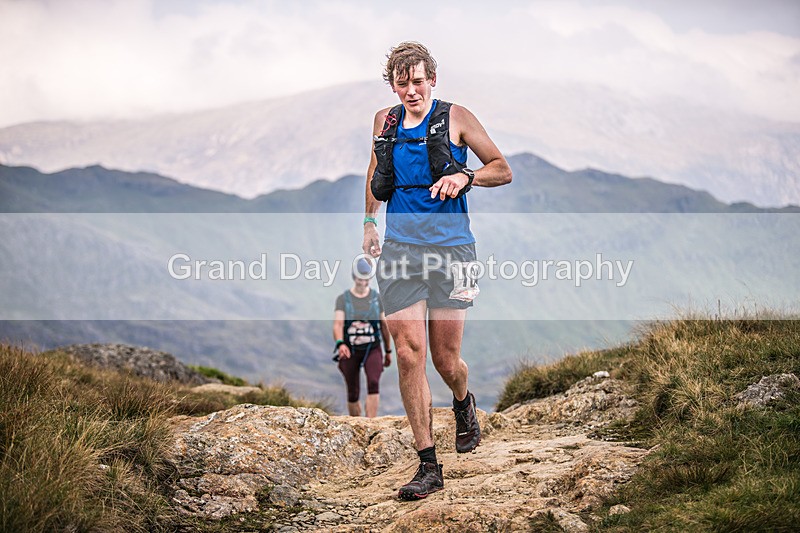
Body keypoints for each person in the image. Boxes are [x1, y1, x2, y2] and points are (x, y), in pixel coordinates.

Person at [362, 42, 512, 500]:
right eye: (402, 82)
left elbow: (502, 169)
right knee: (409, 353)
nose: (411, 90)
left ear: (433, 79)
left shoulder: (457, 118)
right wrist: (369, 221)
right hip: (400, 252)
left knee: (446, 361)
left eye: (419, 80)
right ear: (393, 83)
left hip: (452, 251)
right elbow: (374, 175)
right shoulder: (383, 122)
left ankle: (463, 403)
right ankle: (428, 464)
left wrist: (466, 176)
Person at [333, 258, 393, 417]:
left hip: (372, 347)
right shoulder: (343, 299)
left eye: (365, 276)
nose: (362, 280)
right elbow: (338, 324)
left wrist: (388, 351)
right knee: (352, 391)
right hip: (349, 349)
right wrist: (340, 344)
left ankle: (371, 423)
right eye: (360, 276)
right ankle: (355, 423)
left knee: (373, 382)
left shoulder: (377, 299)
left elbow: (384, 326)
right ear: (354, 276)